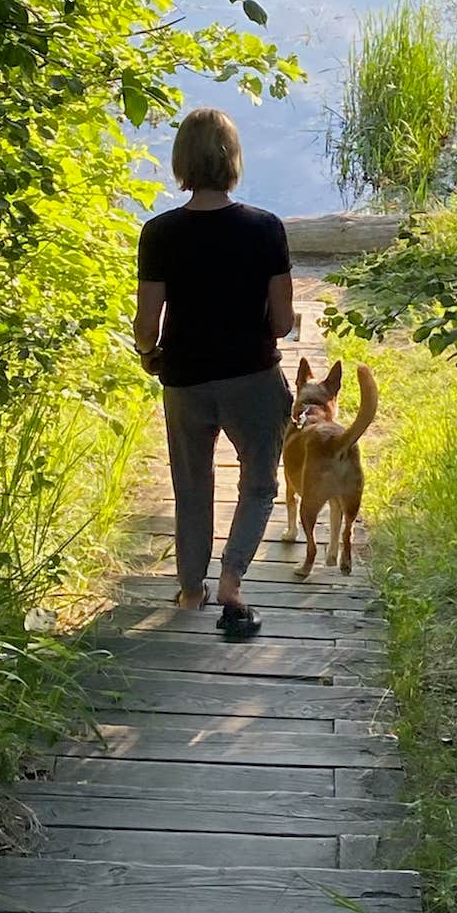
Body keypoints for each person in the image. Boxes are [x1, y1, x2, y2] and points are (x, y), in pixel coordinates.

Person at [133, 107, 295, 639]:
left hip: (185, 380)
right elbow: (282, 321)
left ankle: (190, 589)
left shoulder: (159, 232)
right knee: (258, 483)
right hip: (252, 376)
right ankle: (232, 581)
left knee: (192, 485)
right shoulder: (266, 228)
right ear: (232, 160)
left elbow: (146, 322)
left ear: (182, 162)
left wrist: (150, 354)